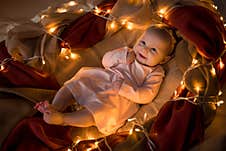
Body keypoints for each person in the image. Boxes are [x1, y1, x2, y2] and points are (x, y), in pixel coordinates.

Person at [35, 25, 176, 135]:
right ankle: (55, 107)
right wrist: (121, 57)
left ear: (164, 59)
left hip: (119, 97)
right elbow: (105, 61)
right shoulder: (127, 52)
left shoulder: (155, 72)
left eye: (153, 50)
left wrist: (124, 88)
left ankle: (64, 119)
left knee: (100, 113)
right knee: (75, 84)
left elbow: (147, 95)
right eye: (143, 42)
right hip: (103, 78)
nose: (144, 50)